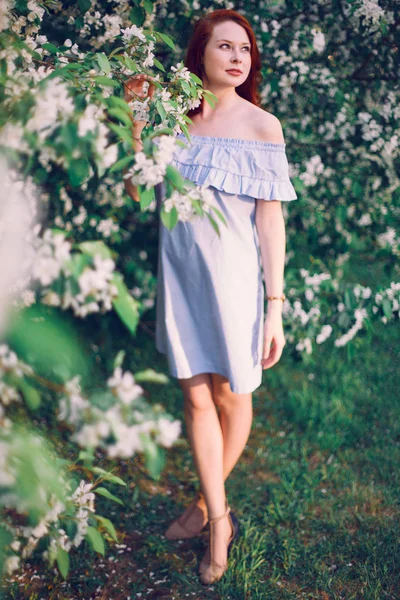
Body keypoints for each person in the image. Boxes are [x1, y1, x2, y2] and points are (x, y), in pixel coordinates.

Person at [123, 8, 297, 586]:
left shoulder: (262, 126)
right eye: (225, 46)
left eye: (244, 48)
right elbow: (136, 185)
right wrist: (136, 117)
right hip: (182, 278)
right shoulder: (174, 118)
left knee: (233, 396)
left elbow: (270, 224)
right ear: (199, 55)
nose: (237, 56)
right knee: (197, 398)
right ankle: (219, 516)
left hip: (237, 284)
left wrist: (276, 306)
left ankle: (206, 510)